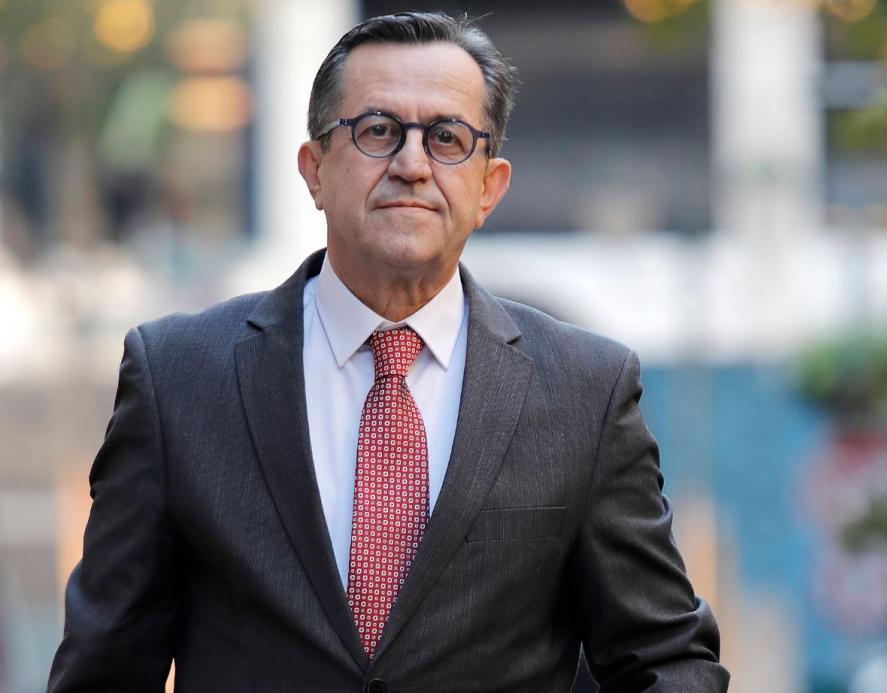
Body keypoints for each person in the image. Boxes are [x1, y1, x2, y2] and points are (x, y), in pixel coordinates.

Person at [48, 11, 728, 693]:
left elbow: (666, 660)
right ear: (314, 170)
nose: (412, 165)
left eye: (447, 138)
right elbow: (104, 670)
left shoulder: (586, 391)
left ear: (489, 187)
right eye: (377, 131)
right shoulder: (177, 378)